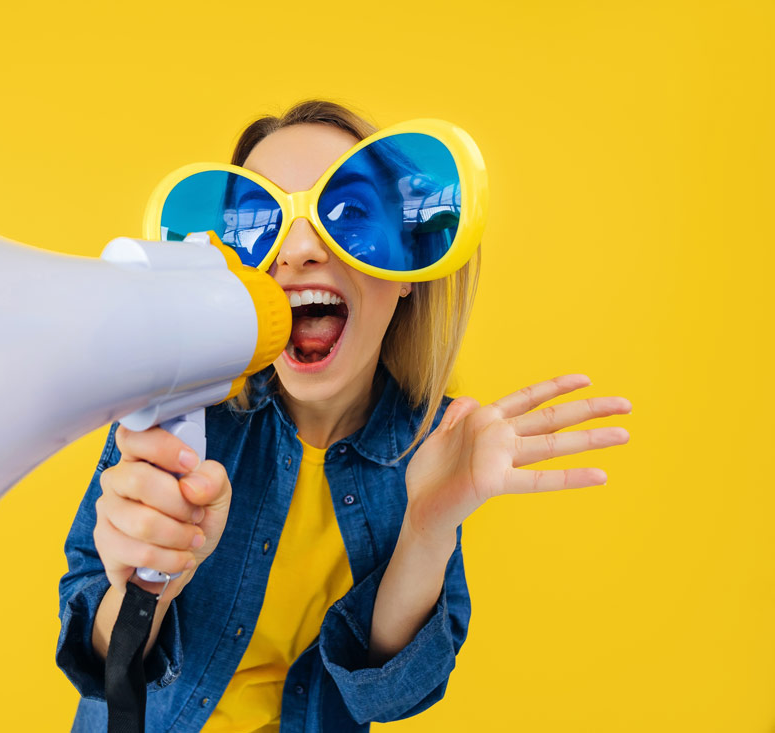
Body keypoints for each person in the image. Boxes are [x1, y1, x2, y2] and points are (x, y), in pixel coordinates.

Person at [56, 100, 632, 732]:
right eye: (258, 221)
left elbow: (389, 699)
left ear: (410, 265)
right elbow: (98, 662)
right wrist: (149, 581)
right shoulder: (177, 416)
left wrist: (428, 530)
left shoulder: (440, 448)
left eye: (350, 214)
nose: (298, 248)